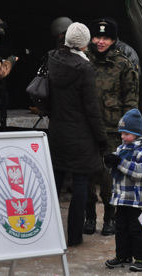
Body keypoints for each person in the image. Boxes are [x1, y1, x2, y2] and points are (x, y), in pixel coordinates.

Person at [48, 22, 107, 247]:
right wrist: (101, 139)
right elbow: (92, 109)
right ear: (84, 44)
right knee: (81, 185)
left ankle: (48, 232)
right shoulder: (85, 69)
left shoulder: (52, 59)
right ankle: (74, 236)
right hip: (80, 136)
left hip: (57, 132)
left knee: (55, 183)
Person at [84, 17, 139, 236]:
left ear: (114, 40)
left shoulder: (123, 64)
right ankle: (89, 218)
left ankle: (109, 219)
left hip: (112, 131)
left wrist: (128, 130)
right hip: (87, 129)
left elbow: (131, 100)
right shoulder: (84, 61)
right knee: (87, 176)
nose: (100, 41)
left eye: (106, 38)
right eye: (97, 36)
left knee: (109, 178)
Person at [104, 108, 142, 272]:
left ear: (136, 133)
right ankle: (123, 255)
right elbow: (115, 170)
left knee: (137, 229)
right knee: (121, 229)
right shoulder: (122, 149)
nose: (122, 137)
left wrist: (119, 162)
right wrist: (109, 162)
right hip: (121, 198)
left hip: (138, 200)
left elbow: (140, 172)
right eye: (121, 134)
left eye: (126, 134)